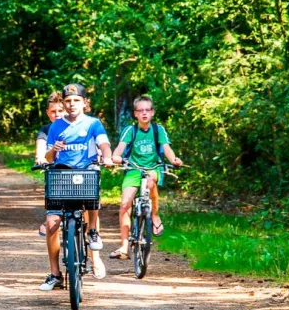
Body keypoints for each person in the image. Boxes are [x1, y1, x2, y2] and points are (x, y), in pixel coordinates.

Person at [40, 84, 111, 290]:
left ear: (84, 103)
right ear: (64, 103)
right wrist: (53, 149)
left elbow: (103, 143)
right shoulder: (56, 126)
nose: (72, 104)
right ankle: (55, 273)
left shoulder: (93, 124)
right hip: (61, 175)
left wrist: (106, 157)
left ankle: (93, 231)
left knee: (92, 191)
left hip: (85, 172)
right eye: (68, 101)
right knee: (52, 221)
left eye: (76, 100)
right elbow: (48, 157)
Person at [109, 95, 183, 260]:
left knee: (151, 182)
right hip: (133, 170)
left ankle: (155, 215)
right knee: (125, 204)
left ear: (152, 112)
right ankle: (124, 246)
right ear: (135, 114)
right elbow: (119, 150)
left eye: (147, 110)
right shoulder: (131, 130)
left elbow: (167, 149)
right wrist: (116, 157)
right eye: (140, 110)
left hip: (153, 168)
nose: (144, 113)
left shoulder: (158, 130)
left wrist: (174, 160)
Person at [35, 92, 65, 236]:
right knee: (54, 212)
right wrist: (40, 158)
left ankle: (91, 236)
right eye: (53, 111)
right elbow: (40, 147)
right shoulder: (46, 130)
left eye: (60, 110)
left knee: (89, 206)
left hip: (77, 173)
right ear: (48, 113)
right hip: (56, 174)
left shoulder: (75, 128)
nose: (57, 114)